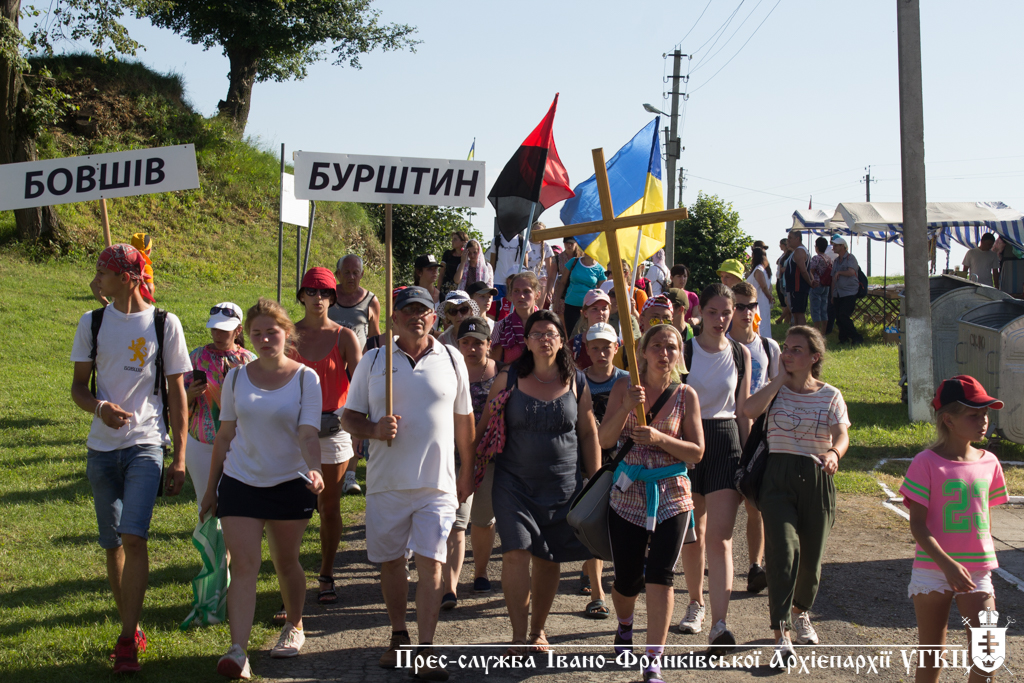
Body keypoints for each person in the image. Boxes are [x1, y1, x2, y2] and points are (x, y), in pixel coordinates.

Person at [341, 286, 474, 682]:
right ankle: (399, 634)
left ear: (434, 317)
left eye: (423, 311)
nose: (417, 316)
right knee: (392, 561)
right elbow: (349, 417)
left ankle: (427, 648)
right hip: (387, 483)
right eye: (408, 310)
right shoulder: (373, 360)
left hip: (437, 483)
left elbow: (464, 419)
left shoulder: (452, 358)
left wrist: (467, 469)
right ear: (394, 319)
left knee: (432, 561)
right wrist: (374, 429)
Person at [70, 244, 190, 674]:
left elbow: (177, 393)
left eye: (102, 272)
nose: (95, 280)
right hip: (101, 449)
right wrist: (100, 407)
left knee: (134, 536)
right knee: (113, 544)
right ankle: (131, 625)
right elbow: (78, 388)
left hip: (146, 444)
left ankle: (125, 641)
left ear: (125, 278)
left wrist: (180, 457)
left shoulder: (165, 323)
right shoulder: (92, 322)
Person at [199, 298, 324, 679]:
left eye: (272, 332)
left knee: (286, 562)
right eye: (257, 334)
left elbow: (308, 433)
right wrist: (211, 488)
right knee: (245, 566)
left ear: (287, 333)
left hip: (291, 482)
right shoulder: (236, 377)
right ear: (247, 337)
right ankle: (238, 651)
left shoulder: (305, 378)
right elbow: (224, 435)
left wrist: (316, 469)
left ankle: (295, 625)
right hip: (240, 481)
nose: (265, 339)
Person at [467, 310, 600, 654]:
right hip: (513, 483)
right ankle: (517, 635)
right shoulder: (507, 378)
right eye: (537, 333)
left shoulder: (577, 380)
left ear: (561, 340)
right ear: (526, 342)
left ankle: (538, 631)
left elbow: (588, 434)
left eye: (550, 333)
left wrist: (598, 482)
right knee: (515, 553)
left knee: (548, 557)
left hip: (562, 485)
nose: (544, 339)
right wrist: (467, 472)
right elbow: (483, 428)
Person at [600, 324, 704, 683]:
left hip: (672, 493)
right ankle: (625, 624)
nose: (664, 353)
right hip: (628, 491)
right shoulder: (623, 388)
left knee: (661, 575)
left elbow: (697, 452)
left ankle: (653, 660)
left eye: (671, 347)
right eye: (657, 346)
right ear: (642, 352)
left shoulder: (686, 395)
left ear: (680, 354)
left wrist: (659, 438)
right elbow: (605, 439)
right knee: (627, 580)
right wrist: (627, 407)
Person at [742, 325, 849, 661]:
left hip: (817, 479)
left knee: (811, 562)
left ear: (814, 357)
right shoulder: (775, 390)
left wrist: (834, 454)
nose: (787, 354)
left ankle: (800, 611)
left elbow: (841, 435)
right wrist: (778, 381)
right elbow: (748, 411)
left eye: (796, 350)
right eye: (786, 348)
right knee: (783, 554)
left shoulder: (830, 395)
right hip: (777, 478)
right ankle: (781, 633)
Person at [898, 375, 1009, 683]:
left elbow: (983, 517)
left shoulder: (990, 462)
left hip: (977, 571)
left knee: (988, 655)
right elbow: (917, 525)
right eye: (973, 415)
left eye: (985, 414)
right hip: (933, 569)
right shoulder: (925, 462)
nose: (983, 421)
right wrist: (947, 564)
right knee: (932, 655)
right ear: (948, 419)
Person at [676, 284, 751, 652]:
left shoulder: (740, 353)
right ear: (699, 312)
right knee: (693, 533)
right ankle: (696, 604)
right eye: (712, 312)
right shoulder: (684, 350)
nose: (720, 319)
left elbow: (743, 411)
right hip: (688, 440)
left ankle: (720, 625)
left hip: (725, 442)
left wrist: (749, 460)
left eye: (726, 312)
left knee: (720, 539)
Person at [293, 268, 363, 606]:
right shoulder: (287, 335)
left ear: (333, 298)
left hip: (334, 432)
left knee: (329, 507)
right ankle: (289, 582)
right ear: (301, 295)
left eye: (324, 292)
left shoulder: (345, 337)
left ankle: (326, 574)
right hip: (294, 433)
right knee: (291, 511)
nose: (318, 298)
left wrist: (363, 428)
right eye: (311, 291)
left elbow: (362, 388)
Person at [442, 317, 502, 609]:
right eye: (465, 342)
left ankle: (480, 572)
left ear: (489, 344)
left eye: (478, 342)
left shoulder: (501, 373)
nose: (471, 348)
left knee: (483, 519)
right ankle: (450, 588)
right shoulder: (446, 370)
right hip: (453, 456)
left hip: (489, 458)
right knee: (456, 521)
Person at [728, 282, 781, 595]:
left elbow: (777, 388)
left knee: (754, 505)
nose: (746, 312)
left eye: (751, 306)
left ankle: (754, 566)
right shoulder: (719, 344)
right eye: (740, 306)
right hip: (724, 429)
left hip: (760, 432)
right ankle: (714, 559)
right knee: (720, 504)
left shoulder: (769, 347)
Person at [578, 322, 630, 619]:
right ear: (587, 349)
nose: (601, 353)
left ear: (616, 347)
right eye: (595, 347)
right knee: (593, 523)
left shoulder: (627, 380)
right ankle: (597, 593)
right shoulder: (578, 380)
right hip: (588, 460)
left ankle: (609, 578)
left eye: (606, 347)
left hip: (623, 459)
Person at [185, 302, 257, 515]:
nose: (218, 334)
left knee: (235, 503)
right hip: (201, 442)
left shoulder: (248, 361)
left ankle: (231, 537)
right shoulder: (196, 357)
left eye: (224, 330)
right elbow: (177, 402)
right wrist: (190, 395)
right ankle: (212, 539)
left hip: (238, 442)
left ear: (238, 330)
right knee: (206, 503)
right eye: (214, 328)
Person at [330, 254, 381, 353]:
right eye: (347, 272)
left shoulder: (370, 301)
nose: (351, 277)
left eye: (355, 273)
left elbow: (374, 337)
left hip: (358, 360)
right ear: (339, 274)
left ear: (361, 274)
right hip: (328, 357)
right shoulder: (328, 296)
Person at [489, 271, 541, 364]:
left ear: (537, 295)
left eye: (526, 291)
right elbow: (495, 364)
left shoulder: (547, 324)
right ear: (510, 295)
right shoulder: (501, 326)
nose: (521, 296)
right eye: (516, 291)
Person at [554, 248, 607, 334]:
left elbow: (601, 292)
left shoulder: (600, 269)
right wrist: (556, 303)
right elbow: (562, 283)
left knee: (588, 334)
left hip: (589, 307)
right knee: (571, 334)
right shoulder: (573, 262)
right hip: (571, 304)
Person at [829, 236, 864, 345]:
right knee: (839, 318)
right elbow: (833, 279)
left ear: (842, 246)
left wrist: (839, 272)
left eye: (835, 245)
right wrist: (832, 295)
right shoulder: (836, 261)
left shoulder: (850, 258)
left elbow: (851, 272)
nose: (833, 247)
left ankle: (856, 337)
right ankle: (843, 339)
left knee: (843, 315)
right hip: (838, 293)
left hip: (849, 292)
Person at [569, 288, 613, 370]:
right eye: (595, 309)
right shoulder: (574, 346)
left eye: (604, 308)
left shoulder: (618, 344)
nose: (600, 312)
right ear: (585, 313)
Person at [485, 231, 528, 302]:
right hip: (498, 281)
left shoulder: (522, 240)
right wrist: (490, 281)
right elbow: (492, 264)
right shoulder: (496, 239)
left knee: (514, 306)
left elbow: (525, 265)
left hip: (515, 282)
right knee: (497, 306)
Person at [785, 230, 813, 326]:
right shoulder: (799, 250)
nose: (788, 240)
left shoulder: (799, 251)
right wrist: (811, 280)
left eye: (790, 238)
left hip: (798, 287)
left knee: (799, 314)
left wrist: (810, 283)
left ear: (797, 239)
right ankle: (798, 332)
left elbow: (803, 270)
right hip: (797, 288)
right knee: (796, 313)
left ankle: (802, 333)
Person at [746, 247, 774, 338]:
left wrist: (769, 296)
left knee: (761, 324)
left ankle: (762, 340)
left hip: (760, 300)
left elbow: (764, 286)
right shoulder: (763, 269)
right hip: (761, 300)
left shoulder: (759, 270)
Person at [528, 222, 557, 307]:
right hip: (528, 278)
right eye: (535, 230)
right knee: (529, 305)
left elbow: (549, 269)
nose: (537, 232)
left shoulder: (546, 246)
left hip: (542, 278)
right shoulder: (526, 243)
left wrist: (550, 287)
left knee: (538, 307)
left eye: (540, 231)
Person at [808, 237, 832, 335]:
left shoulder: (816, 258)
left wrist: (811, 280)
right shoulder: (828, 258)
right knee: (823, 309)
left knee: (815, 309)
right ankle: (823, 332)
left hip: (816, 285)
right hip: (826, 285)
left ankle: (816, 332)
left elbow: (811, 271)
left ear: (817, 247)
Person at [439, 231, 469, 298]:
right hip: (445, 289)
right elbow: (441, 273)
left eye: (455, 239)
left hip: (459, 290)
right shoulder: (447, 254)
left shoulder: (466, 257)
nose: (452, 241)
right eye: (452, 239)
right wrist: (438, 290)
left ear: (463, 242)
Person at [776, 238, 792, 325]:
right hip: (780, 278)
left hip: (784, 279)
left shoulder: (789, 254)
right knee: (783, 301)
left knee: (787, 301)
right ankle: (786, 319)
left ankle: (782, 318)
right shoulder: (784, 255)